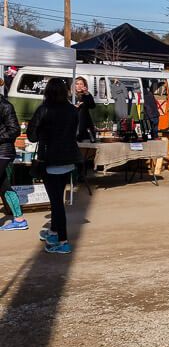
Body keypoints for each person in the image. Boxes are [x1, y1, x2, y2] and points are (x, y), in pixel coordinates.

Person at [27, 79, 81, 253]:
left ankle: (63, 240)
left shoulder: (44, 110)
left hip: (50, 160)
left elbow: (32, 136)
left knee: (56, 203)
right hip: (68, 159)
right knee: (58, 200)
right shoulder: (73, 110)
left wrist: (43, 131)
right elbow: (74, 133)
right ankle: (54, 231)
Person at [0, 78, 27, 232]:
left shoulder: (5, 105)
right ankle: (19, 219)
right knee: (4, 186)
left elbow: (15, 130)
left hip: (3, 151)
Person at [73, 76, 97, 142]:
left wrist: (86, 93)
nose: (79, 86)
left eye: (81, 84)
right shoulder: (71, 95)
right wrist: (74, 107)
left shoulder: (86, 95)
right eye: (77, 84)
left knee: (83, 110)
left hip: (85, 124)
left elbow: (92, 106)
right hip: (73, 124)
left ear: (84, 85)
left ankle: (81, 134)